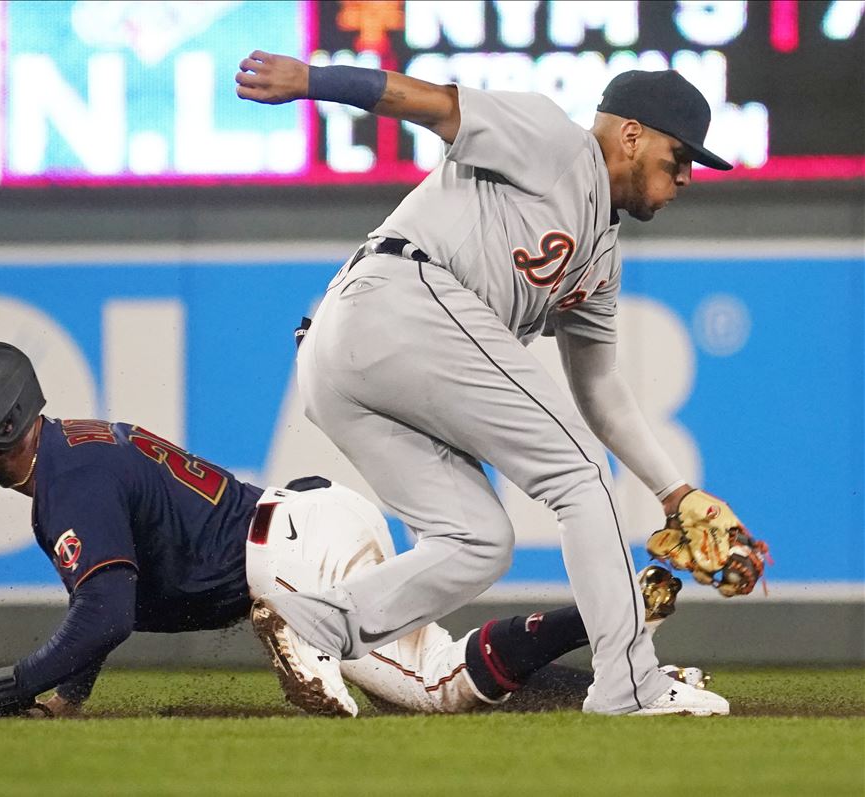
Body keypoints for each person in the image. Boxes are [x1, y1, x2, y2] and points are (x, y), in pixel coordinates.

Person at [235, 53, 743, 716]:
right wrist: (312, 82)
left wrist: (674, 492)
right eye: (680, 156)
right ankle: (630, 682)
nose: (684, 176)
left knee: (477, 540)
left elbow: (599, 390)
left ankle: (316, 624)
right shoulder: (553, 140)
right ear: (631, 134)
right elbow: (429, 103)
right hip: (396, 300)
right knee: (581, 474)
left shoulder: (599, 256)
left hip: (359, 350)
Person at [0, 341, 698, 718]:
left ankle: (614, 615)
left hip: (289, 563)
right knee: (437, 666)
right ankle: (619, 645)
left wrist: (12, 684)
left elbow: (104, 612)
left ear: (2, 425)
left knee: (434, 691)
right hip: (303, 523)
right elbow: (107, 608)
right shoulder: (72, 458)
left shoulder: (66, 479)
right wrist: (63, 694)